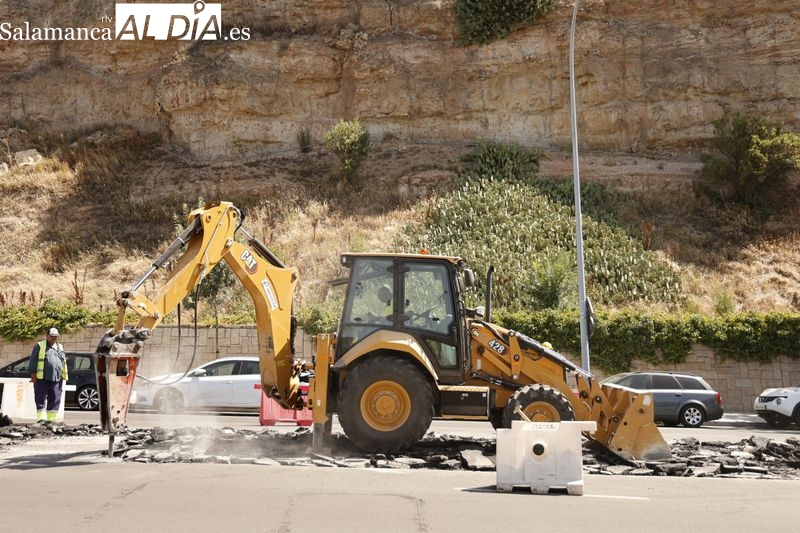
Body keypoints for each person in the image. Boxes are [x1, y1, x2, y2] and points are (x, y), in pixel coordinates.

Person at [28, 327, 68, 423]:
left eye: (56, 337)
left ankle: (51, 419)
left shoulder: (60, 347)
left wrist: (63, 376)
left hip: (57, 379)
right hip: (42, 378)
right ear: (47, 336)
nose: (54, 338)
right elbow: (33, 360)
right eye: (52, 336)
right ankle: (41, 418)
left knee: (55, 398)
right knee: (40, 397)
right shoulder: (40, 346)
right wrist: (33, 375)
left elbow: (63, 362)